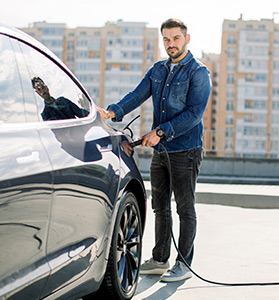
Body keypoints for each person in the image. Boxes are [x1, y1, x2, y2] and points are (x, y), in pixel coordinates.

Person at [98, 18, 211, 282]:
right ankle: (160, 259)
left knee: (185, 209)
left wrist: (160, 132)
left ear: (187, 39)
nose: (171, 44)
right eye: (167, 40)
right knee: (160, 207)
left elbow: (195, 114)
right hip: (161, 153)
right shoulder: (158, 70)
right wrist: (113, 111)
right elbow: (137, 95)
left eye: (176, 38)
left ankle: (183, 265)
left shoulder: (198, 72)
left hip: (186, 150)